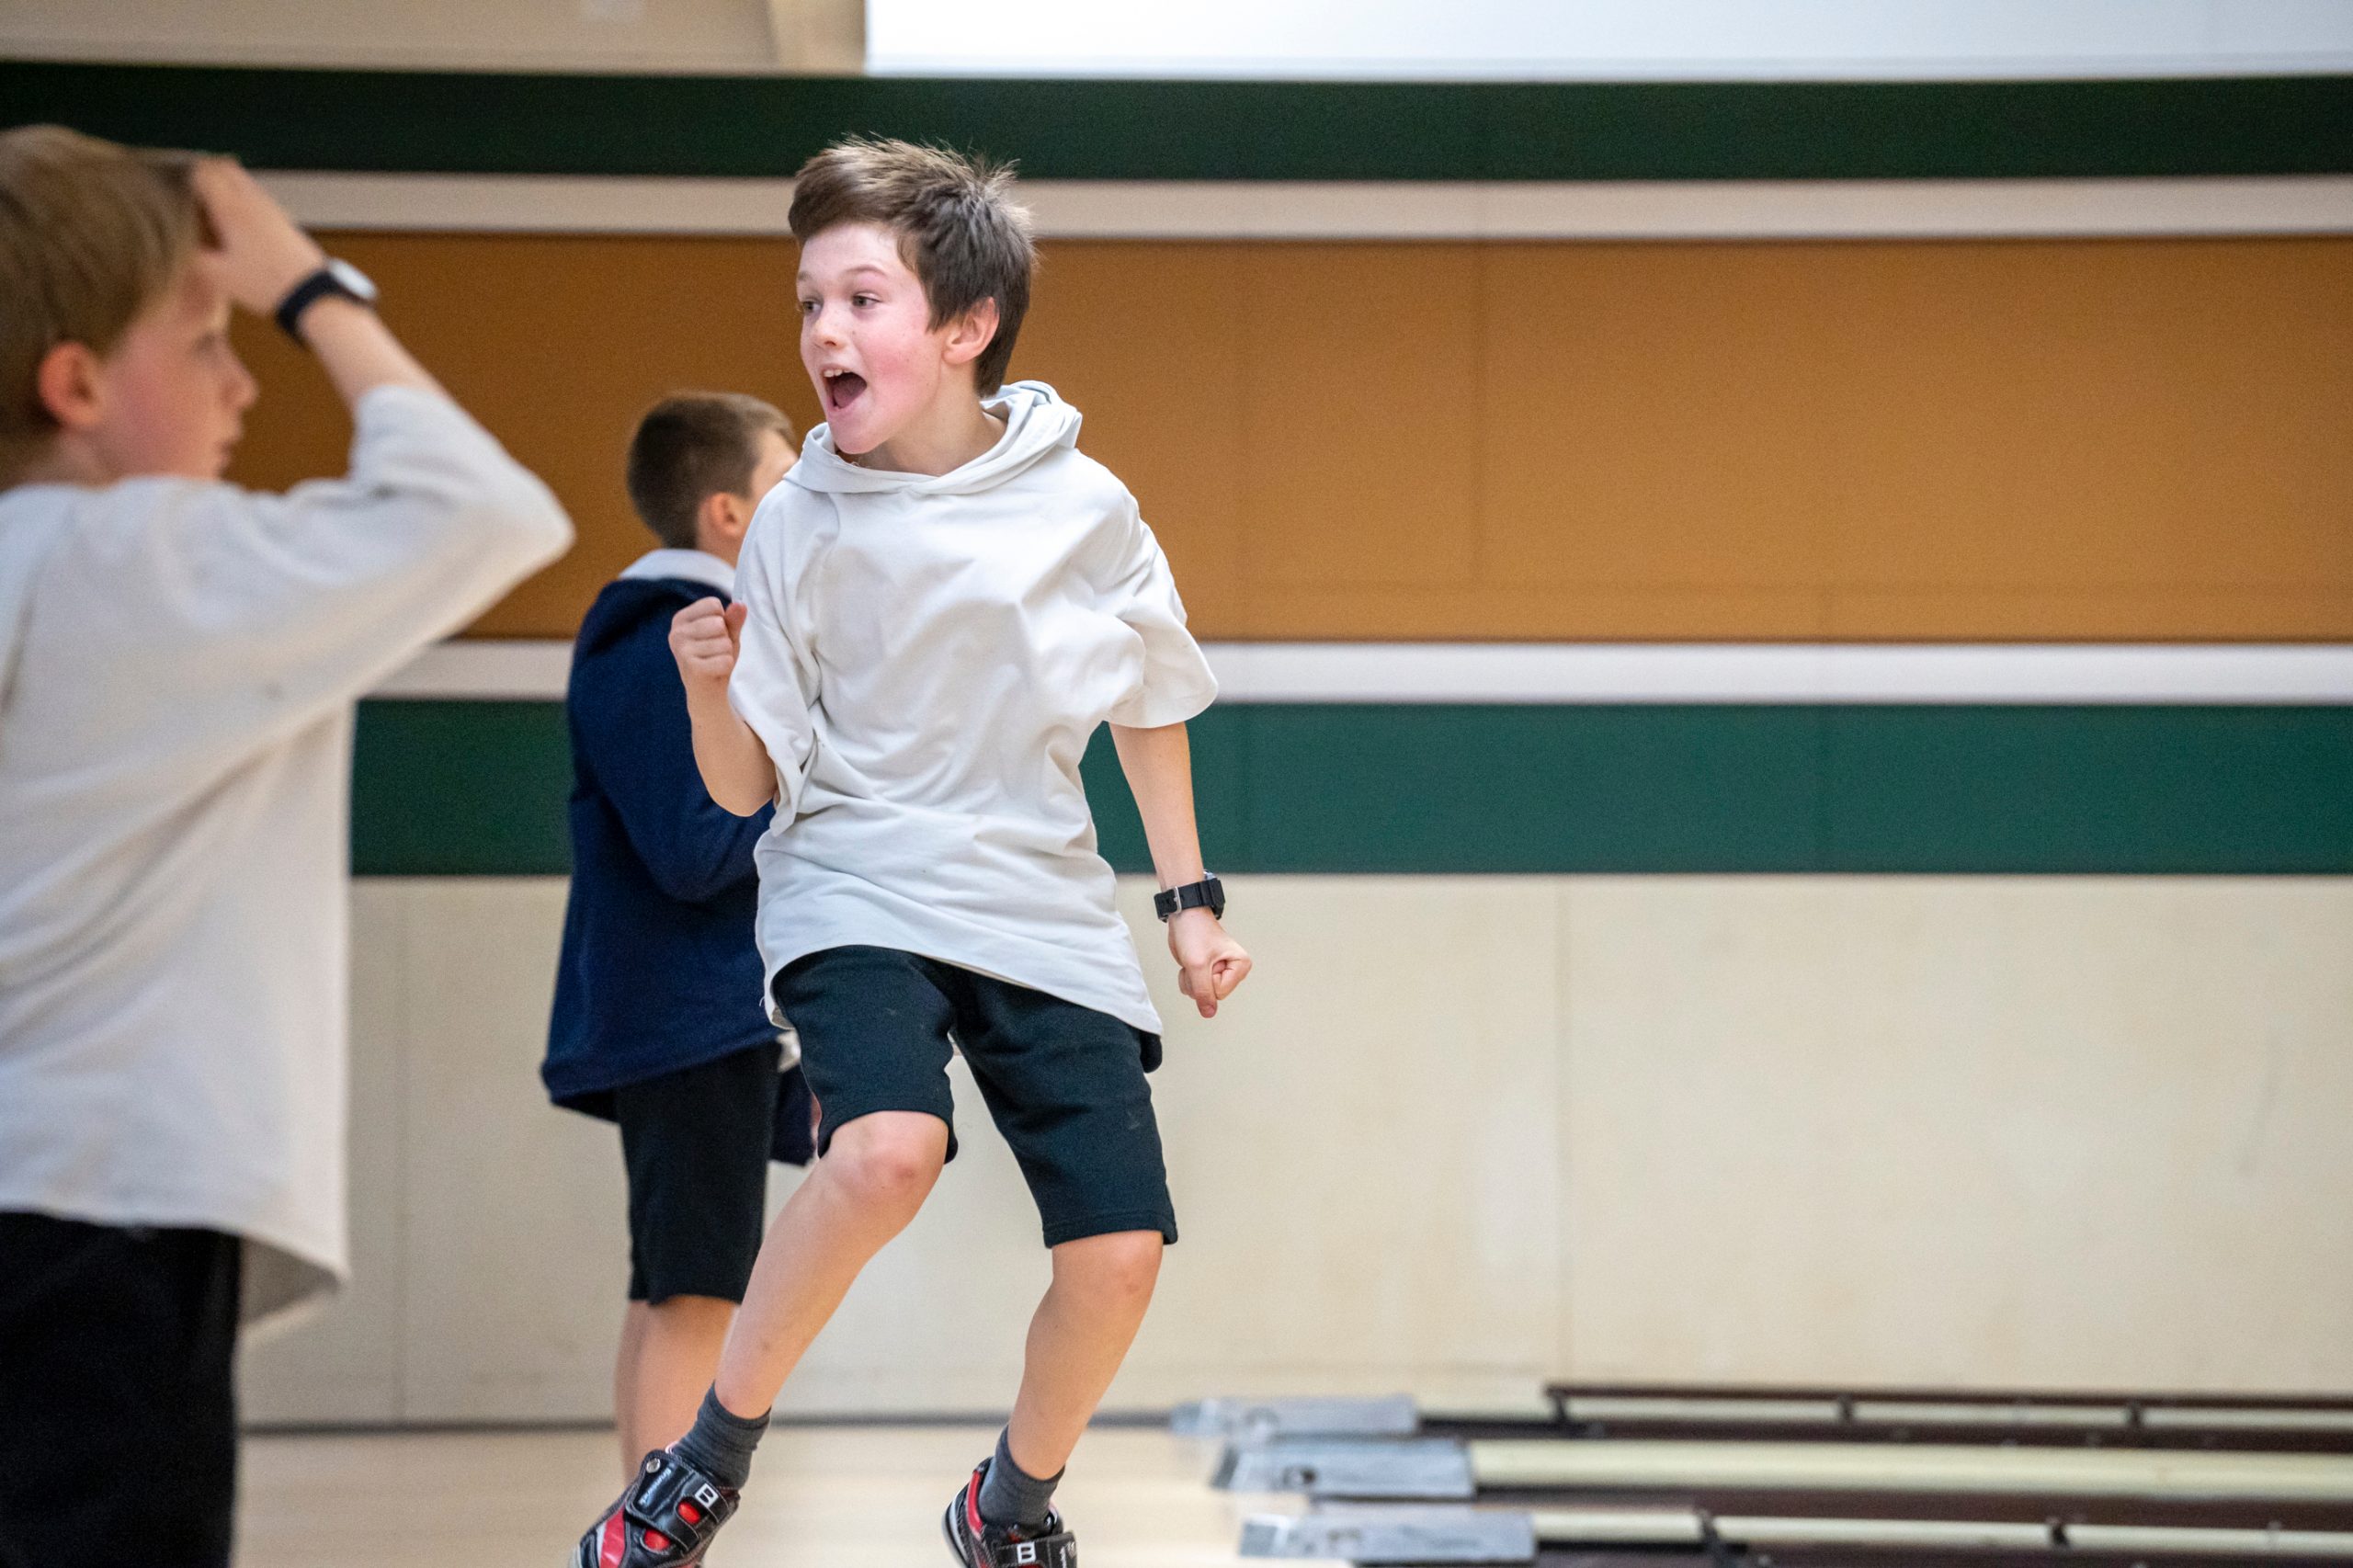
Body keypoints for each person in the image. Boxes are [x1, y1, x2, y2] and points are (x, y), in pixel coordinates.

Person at [569, 137, 1252, 1568]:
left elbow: (1151, 696)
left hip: (1038, 897)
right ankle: (704, 1456)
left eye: (861, 300)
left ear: (965, 326)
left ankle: (1008, 1506)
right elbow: (743, 785)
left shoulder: (1085, 505)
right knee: (886, 1149)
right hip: (854, 882)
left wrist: (1189, 902)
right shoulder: (798, 523)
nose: (824, 330)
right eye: (809, 302)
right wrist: (708, 688)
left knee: (1120, 1256)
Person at [0, 126, 573, 1567]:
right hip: (104, 1216)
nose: (243, 381)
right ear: (76, 385)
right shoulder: (138, 560)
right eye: (205, 342)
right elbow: (484, 509)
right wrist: (309, 286)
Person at [542, 391, 815, 1478]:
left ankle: (641, 1532)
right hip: (686, 1017)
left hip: (700, 1016)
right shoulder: (663, 634)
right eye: (783, 477)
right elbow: (695, 846)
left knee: (671, 1287)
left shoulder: (681, 631)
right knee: (695, 1294)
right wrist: (804, 795)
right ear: (728, 512)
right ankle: (661, 1543)